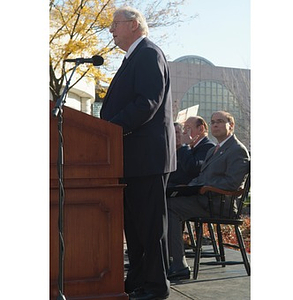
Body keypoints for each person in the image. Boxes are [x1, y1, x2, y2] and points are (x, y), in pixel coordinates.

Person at [100, 6, 176, 300]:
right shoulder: (131, 58)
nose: (111, 30)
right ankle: (140, 281)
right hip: (131, 157)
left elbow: (147, 103)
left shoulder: (148, 53)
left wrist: (110, 128)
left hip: (147, 157)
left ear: (133, 24)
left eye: (115, 24)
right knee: (134, 227)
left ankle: (157, 287)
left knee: (150, 227)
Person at [167, 111, 250, 280]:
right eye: (213, 122)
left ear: (231, 125)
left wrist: (206, 187)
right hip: (204, 199)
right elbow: (200, 177)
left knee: (170, 208)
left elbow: (233, 183)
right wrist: (189, 188)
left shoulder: (237, 150)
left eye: (220, 121)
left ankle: (179, 264)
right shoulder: (215, 150)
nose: (215, 125)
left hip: (220, 204)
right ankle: (166, 259)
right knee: (167, 200)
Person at [168, 116, 215, 187]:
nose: (184, 132)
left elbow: (192, 168)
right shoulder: (191, 147)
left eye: (188, 128)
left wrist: (184, 145)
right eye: (184, 128)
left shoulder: (208, 146)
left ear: (201, 129)